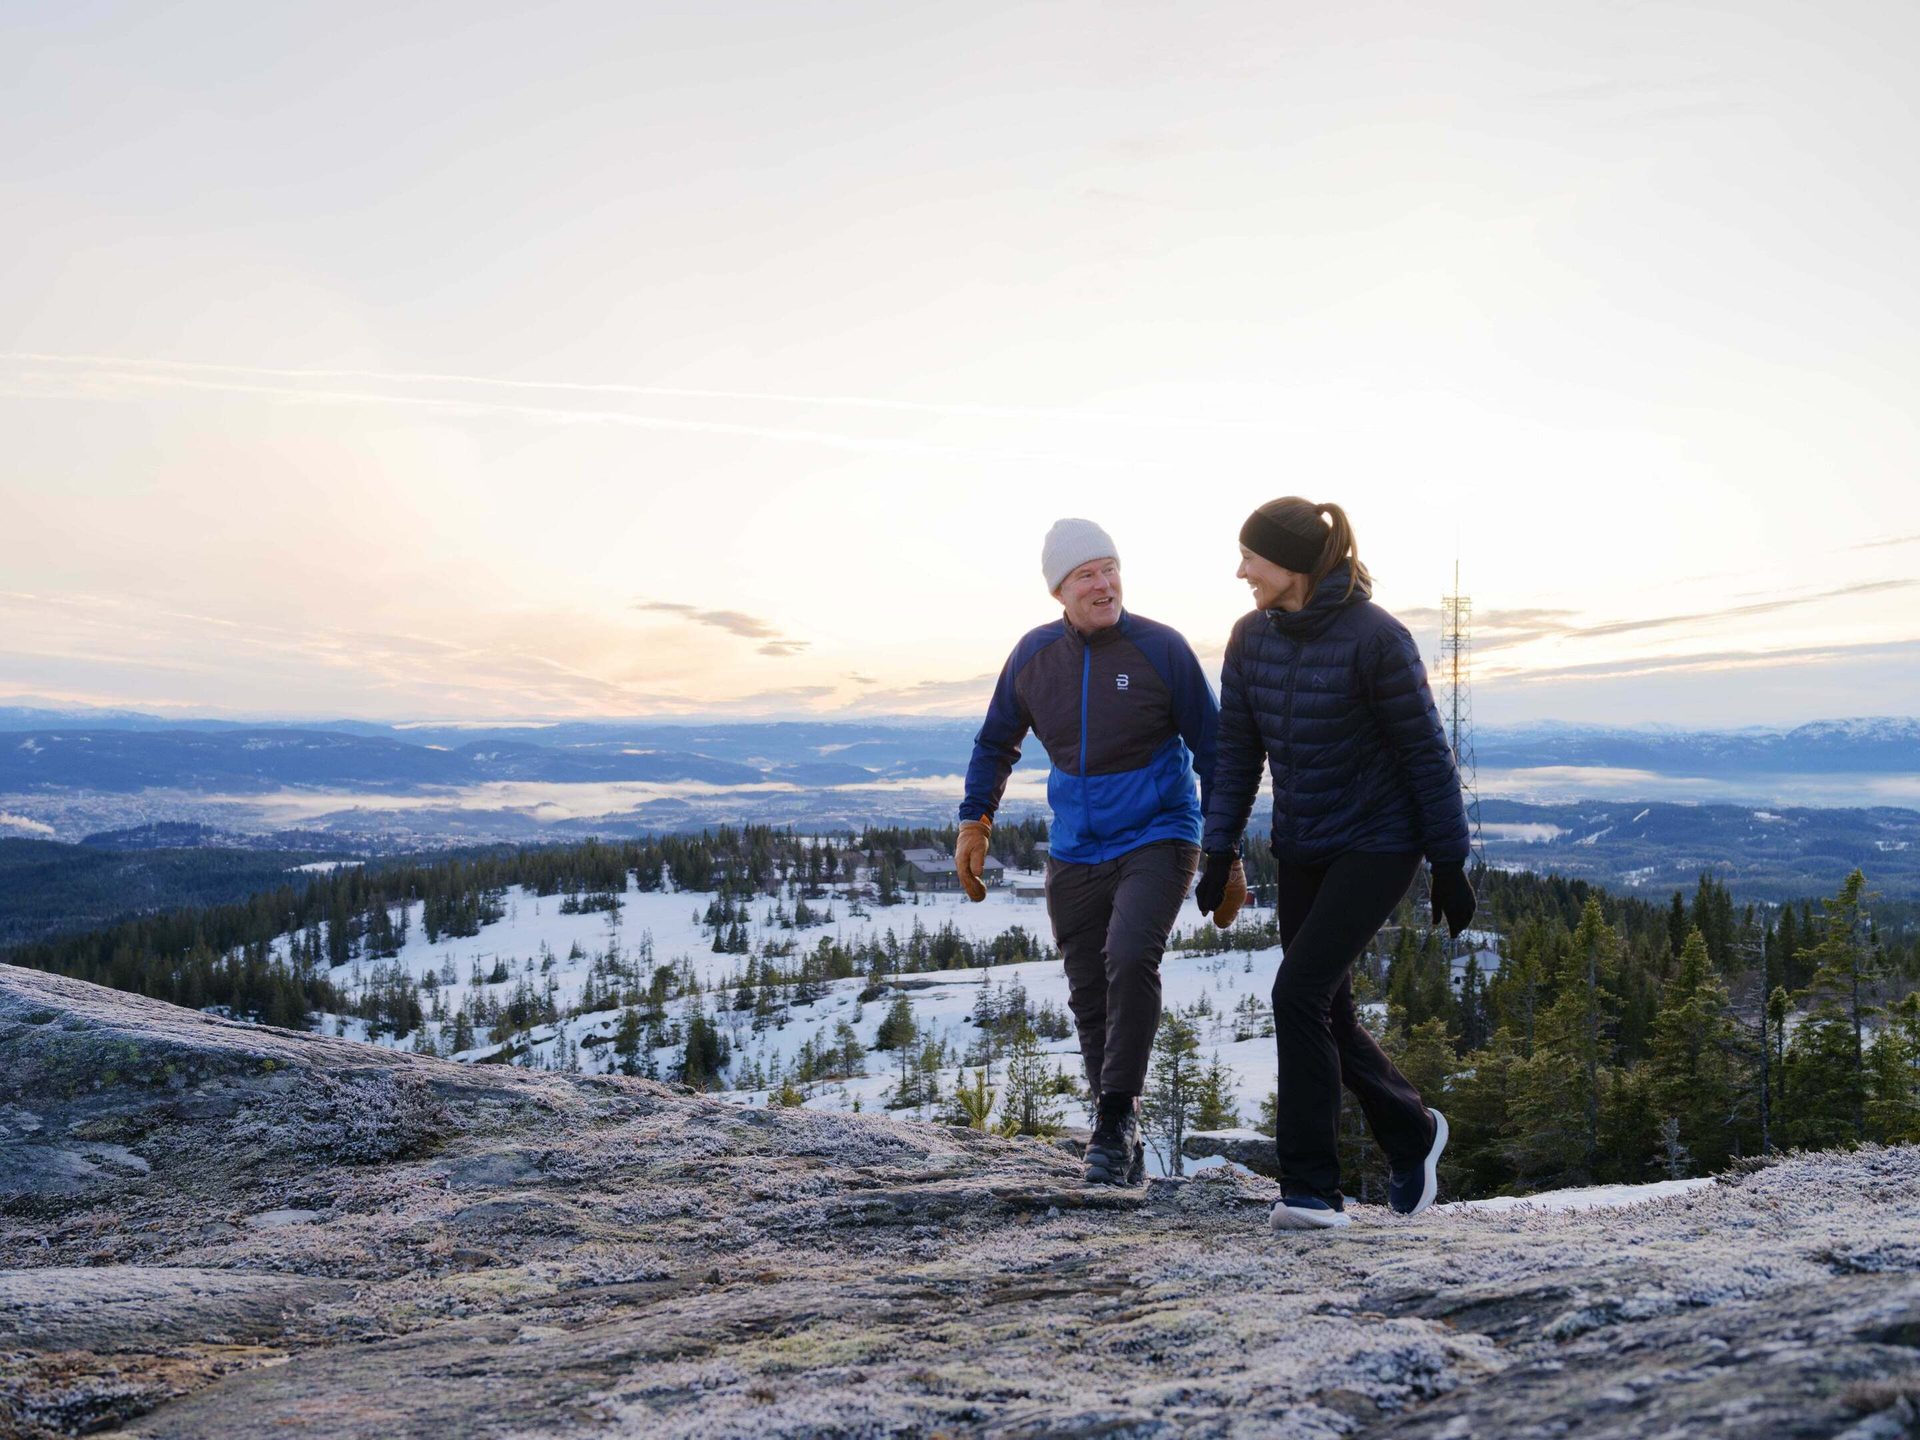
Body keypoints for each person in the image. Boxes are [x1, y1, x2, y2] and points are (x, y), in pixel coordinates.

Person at [1197, 497, 1474, 1230]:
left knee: (1297, 994)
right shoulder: (1248, 639)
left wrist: (1449, 859)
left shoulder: (1377, 639)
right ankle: (1412, 1129)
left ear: (1290, 562)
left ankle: (1311, 1191)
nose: (1240, 571)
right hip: (1305, 842)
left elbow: (1424, 754)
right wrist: (1218, 848)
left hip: (1380, 842)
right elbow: (1236, 756)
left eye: (1251, 557)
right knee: (1325, 1007)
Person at [955, 518, 1243, 1185]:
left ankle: (1113, 1121)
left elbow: (1216, 749)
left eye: (1110, 568)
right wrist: (976, 819)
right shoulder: (1033, 657)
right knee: (1089, 989)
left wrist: (1226, 854)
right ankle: (1123, 1135)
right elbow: (995, 741)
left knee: (1131, 954)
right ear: (1060, 588)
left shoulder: (1161, 649)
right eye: (1087, 573)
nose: (1104, 583)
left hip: (1161, 831)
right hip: (1076, 846)